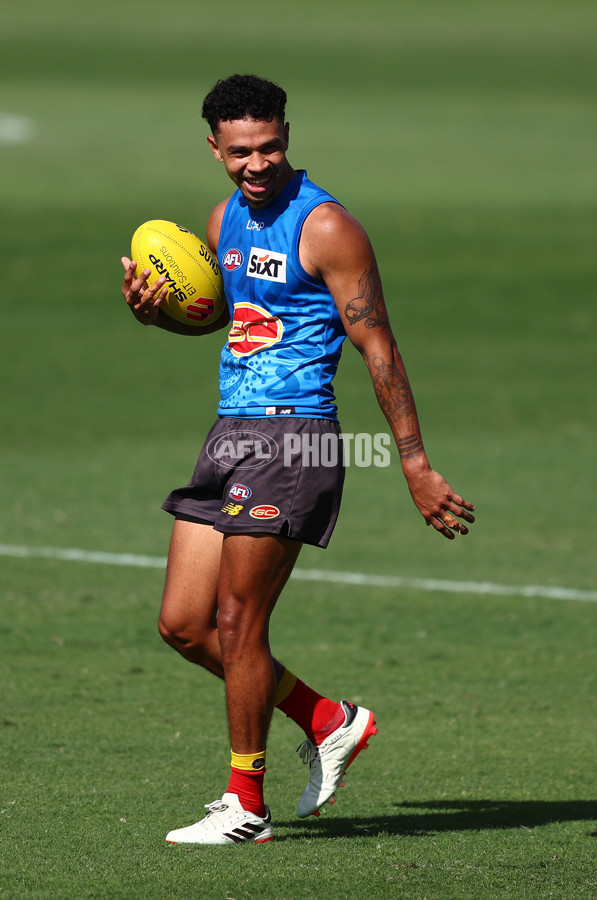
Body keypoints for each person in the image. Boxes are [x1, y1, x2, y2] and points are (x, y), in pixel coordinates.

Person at [121, 74, 475, 846]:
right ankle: (327, 720)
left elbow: (378, 344)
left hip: (298, 437)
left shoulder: (327, 228)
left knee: (238, 619)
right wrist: (159, 317)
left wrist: (414, 464)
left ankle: (245, 804)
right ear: (214, 147)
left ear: (288, 134)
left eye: (271, 146)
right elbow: (224, 317)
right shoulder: (223, 221)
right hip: (231, 434)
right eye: (241, 151)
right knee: (184, 624)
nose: (258, 163)